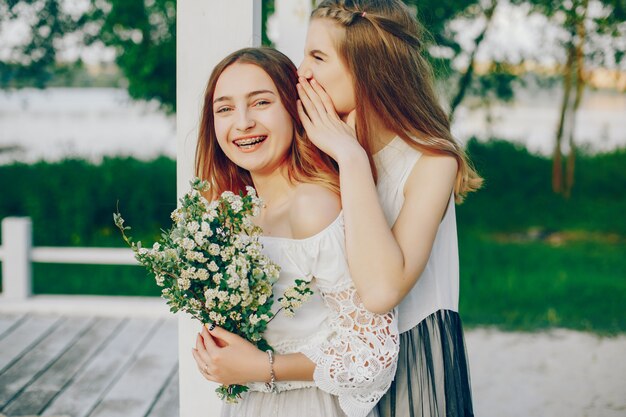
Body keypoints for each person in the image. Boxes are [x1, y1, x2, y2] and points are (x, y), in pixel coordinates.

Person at [295, 1, 483, 416]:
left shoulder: (431, 163)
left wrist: (350, 157)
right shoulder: (317, 145)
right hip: (334, 366)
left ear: (366, 69)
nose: (301, 72)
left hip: (410, 372)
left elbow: (381, 291)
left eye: (317, 57)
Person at [190, 47, 399, 417]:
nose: (242, 123)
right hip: (251, 404)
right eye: (225, 109)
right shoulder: (230, 212)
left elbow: (371, 354)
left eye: (260, 103)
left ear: (294, 107)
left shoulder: (313, 204)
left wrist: (261, 367)